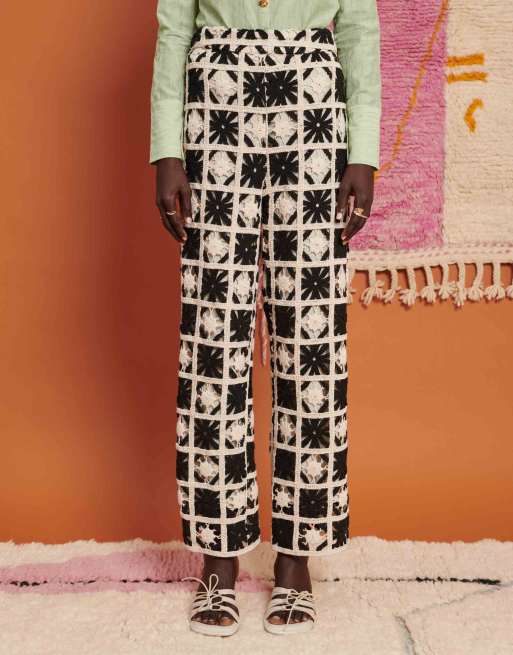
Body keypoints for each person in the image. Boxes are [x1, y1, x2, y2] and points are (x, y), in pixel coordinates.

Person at [149, 0, 381, 636]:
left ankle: (296, 561)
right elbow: (175, 29)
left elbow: (359, 31)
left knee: (311, 339)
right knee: (213, 342)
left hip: (314, 118)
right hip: (214, 116)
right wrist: (167, 150)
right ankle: (218, 560)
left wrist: (363, 153)